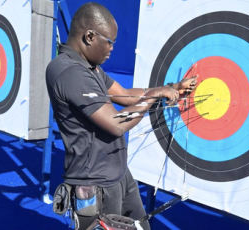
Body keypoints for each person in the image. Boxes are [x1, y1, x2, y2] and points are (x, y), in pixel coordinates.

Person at [46, 2, 197, 230]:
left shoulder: (88, 66)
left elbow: (125, 95)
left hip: (118, 174)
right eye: (110, 42)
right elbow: (116, 124)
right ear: (89, 36)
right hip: (95, 183)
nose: (112, 49)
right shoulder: (70, 72)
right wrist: (155, 95)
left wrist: (171, 87)